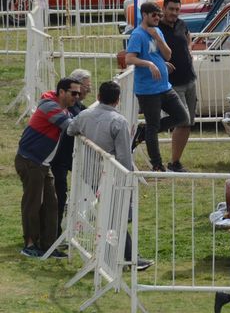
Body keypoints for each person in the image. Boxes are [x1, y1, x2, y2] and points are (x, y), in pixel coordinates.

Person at [67, 81, 154, 271]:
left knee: (111, 215)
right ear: (117, 100)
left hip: (89, 171)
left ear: (98, 97)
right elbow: (123, 155)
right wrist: (127, 179)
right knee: (116, 216)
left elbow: (70, 129)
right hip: (110, 174)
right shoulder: (118, 121)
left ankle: (122, 255)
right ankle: (128, 258)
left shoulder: (84, 115)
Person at [16, 77, 81, 258]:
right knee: (33, 204)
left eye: (79, 93)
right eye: (73, 93)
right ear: (62, 92)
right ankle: (29, 245)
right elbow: (70, 127)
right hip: (30, 161)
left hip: (42, 164)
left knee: (52, 205)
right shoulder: (50, 107)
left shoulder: (62, 108)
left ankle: (48, 246)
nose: (77, 97)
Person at [126, 2, 189, 172]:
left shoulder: (157, 31)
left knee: (182, 117)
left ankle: (143, 132)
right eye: (154, 15)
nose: (157, 18)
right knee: (153, 127)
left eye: (159, 15)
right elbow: (129, 59)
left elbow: (168, 54)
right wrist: (148, 64)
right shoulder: (137, 35)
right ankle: (157, 164)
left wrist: (158, 39)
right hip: (148, 90)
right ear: (144, 15)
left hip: (164, 86)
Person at [50, 69, 90, 238]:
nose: (87, 91)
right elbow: (73, 126)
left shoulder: (79, 107)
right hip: (58, 159)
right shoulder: (62, 107)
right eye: (85, 87)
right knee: (58, 196)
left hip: (72, 158)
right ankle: (54, 234)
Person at [158, 0, 197, 173]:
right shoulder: (156, 28)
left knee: (188, 123)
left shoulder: (182, 24)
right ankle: (151, 129)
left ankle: (176, 161)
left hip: (189, 79)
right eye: (171, 9)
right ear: (164, 8)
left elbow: (188, 37)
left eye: (177, 9)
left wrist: (188, 50)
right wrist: (161, 63)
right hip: (172, 83)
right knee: (183, 120)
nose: (174, 13)